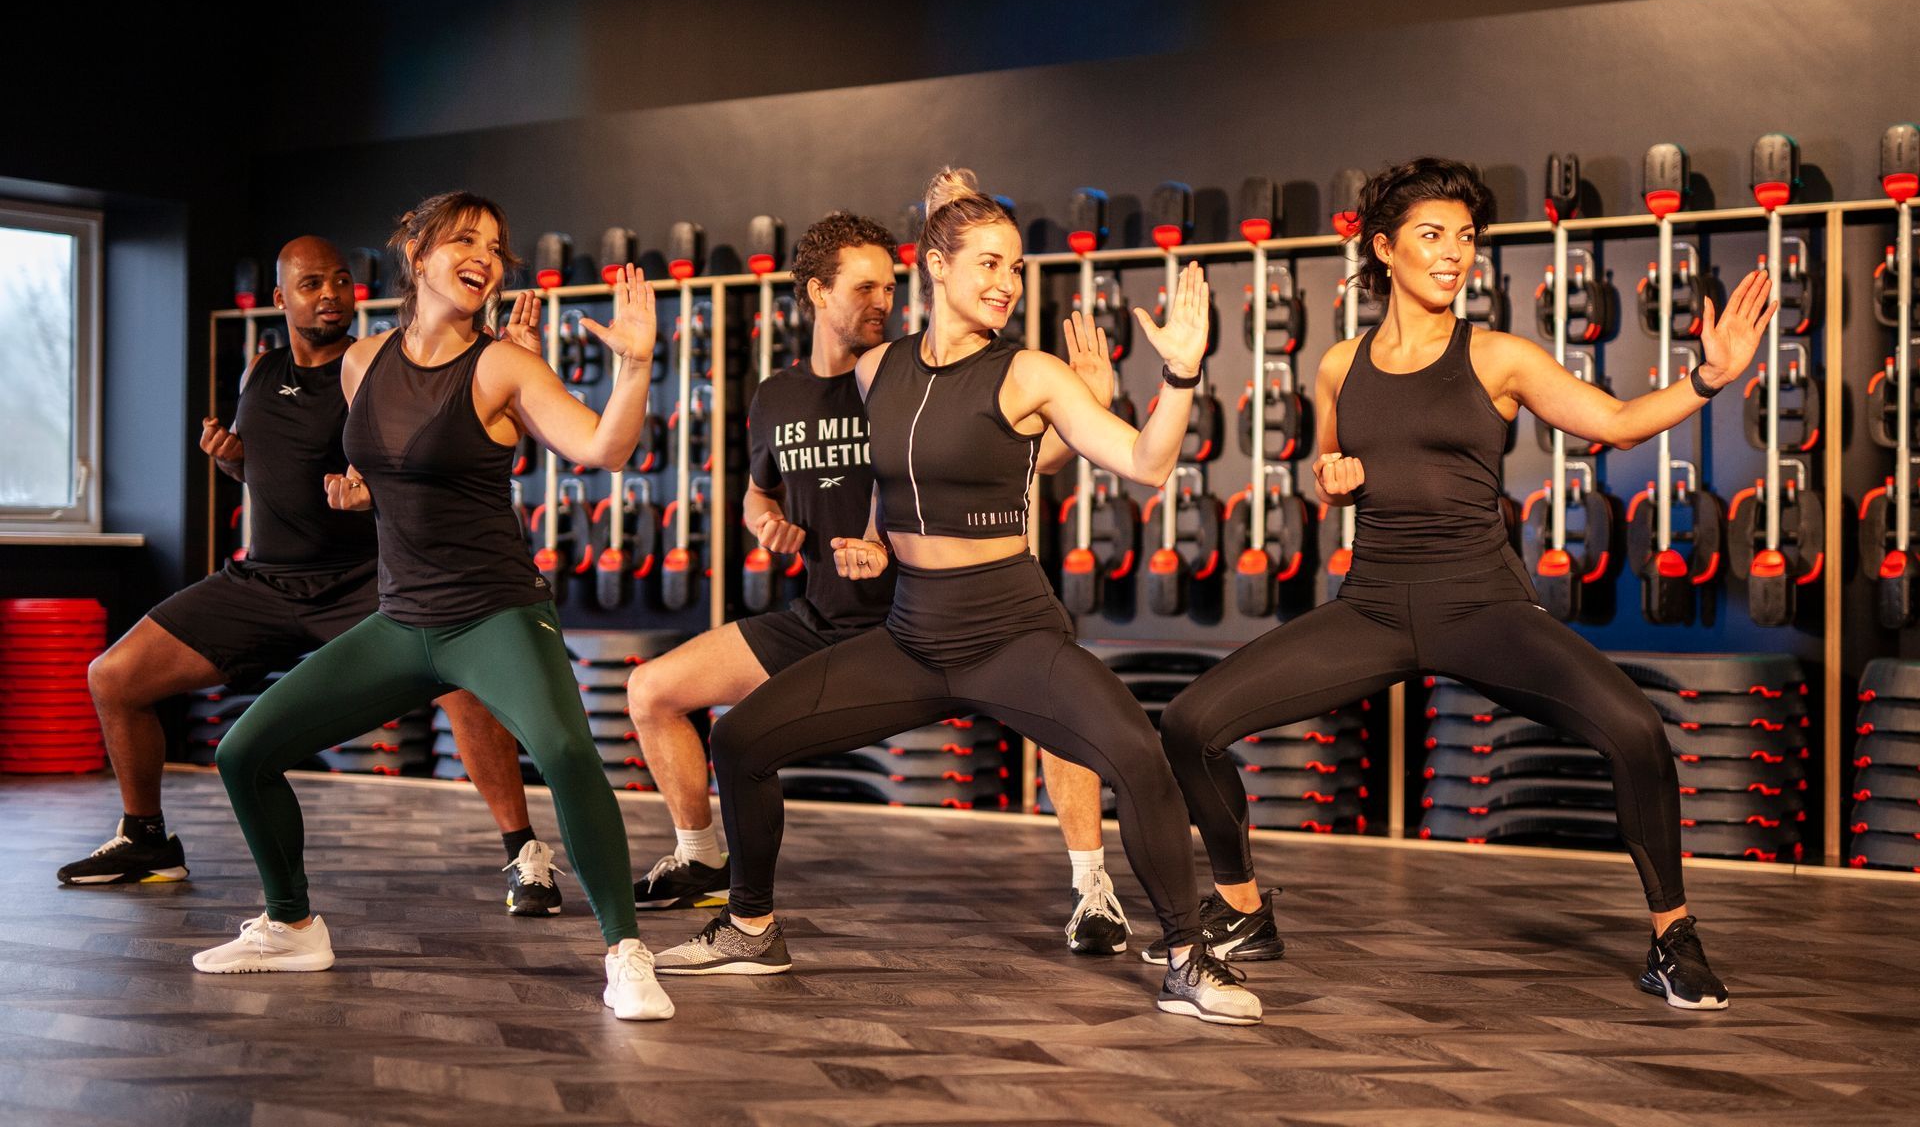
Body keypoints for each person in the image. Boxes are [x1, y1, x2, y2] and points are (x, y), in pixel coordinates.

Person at [1157, 157, 1776, 1011]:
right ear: (1384, 249)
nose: (1454, 253)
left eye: (1467, 237)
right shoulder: (1338, 364)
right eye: (1432, 235)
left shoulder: (1498, 357)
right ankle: (1242, 911)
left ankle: (1674, 938)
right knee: (1190, 723)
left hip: (1482, 606)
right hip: (1373, 607)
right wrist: (1331, 481)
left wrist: (1711, 377)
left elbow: (1618, 424)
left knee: (1636, 730)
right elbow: (1329, 468)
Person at [655, 169, 1262, 1027]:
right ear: (935, 267)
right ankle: (751, 928)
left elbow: (1148, 461)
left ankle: (1188, 958)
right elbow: (896, 473)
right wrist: (871, 539)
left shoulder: (1031, 374)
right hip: (911, 635)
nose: (1007, 283)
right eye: (987, 263)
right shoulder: (878, 368)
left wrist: (1183, 375)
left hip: (1010, 631)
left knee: (1137, 755)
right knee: (742, 738)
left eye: (1015, 268)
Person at [190, 192, 674, 1022]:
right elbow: (388, 465)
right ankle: (292, 925)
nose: (484, 255)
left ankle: (626, 952)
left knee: (566, 752)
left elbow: (606, 448)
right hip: (400, 621)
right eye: (464, 239)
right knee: (244, 752)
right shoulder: (360, 362)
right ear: (416, 255)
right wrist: (362, 492)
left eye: (495, 245)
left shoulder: (503, 366)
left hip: (495, 614)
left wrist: (634, 365)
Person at [627, 210, 1134, 955]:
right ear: (816, 292)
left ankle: (1093, 887)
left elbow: (1024, 456)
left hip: (917, 619)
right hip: (818, 615)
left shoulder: (904, 372)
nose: (883, 302)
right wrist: (766, 523)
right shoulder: (777, 396)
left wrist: (1090, 406)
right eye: (864, 288)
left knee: (1057, 704)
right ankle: (702, 855)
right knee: (652, 691)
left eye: (891, 287)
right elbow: (757, 494)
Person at [59, 236, 561, 918]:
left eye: (342, 281)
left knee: (462, 688)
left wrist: (371, 492)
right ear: (280, 298)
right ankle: (146, 838)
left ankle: (525, 853)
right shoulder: (259, 372)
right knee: (114, 677)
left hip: (364, 582)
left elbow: (432, 464)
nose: (331, 295)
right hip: (263, 583)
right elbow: (270, 470)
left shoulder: (378, 366)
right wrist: (233, 463)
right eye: (311, 284)